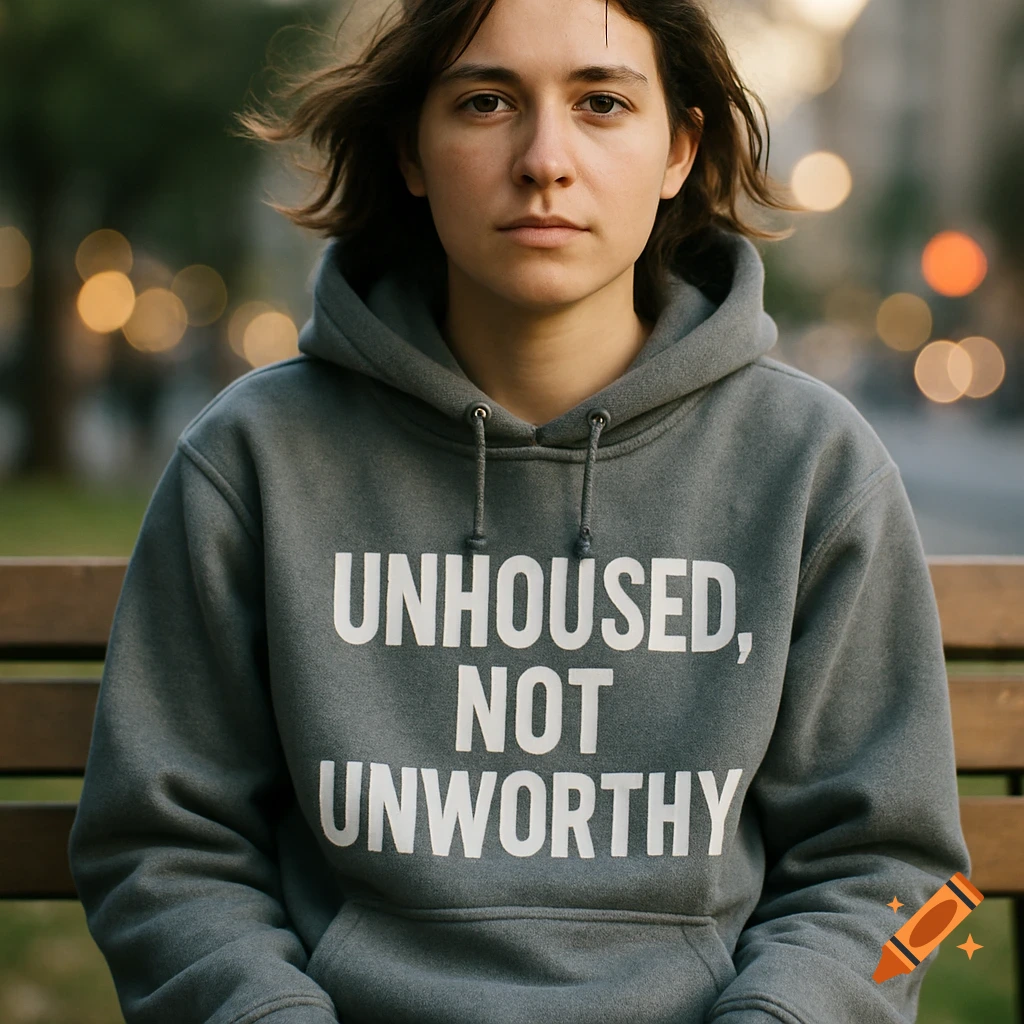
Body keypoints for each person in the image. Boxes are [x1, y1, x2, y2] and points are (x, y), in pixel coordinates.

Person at [68, 0, 972, 1021]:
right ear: (412, 149)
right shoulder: (255, 460)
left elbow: (926, 893)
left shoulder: (815, 466)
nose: (545, 158)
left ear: (679, 148)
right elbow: (155, 848)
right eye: (486, 100)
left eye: (601, 102)